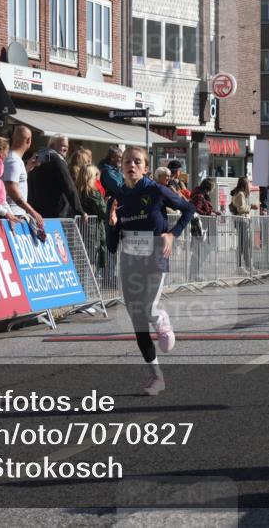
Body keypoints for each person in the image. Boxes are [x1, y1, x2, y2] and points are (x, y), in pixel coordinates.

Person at [106, 146, 195, 396]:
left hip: (156, 256)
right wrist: (112, 225)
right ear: (121, 167)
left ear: (145, 168)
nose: (131, 166)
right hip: (130, 260)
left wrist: (172, 234)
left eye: (137, 162)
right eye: (126, 162)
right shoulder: (115, 198)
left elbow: (189, 210)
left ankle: (161, 319)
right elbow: (112, 246)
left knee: (149, 307)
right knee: (137, 318)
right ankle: (156, 377)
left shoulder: (155, 190)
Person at [28, 134, 87, 221]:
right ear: (52, 146)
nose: (65, 149)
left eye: (66, 146)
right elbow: (69, 186)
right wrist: (80, 211)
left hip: (36, 213)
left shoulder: (37, 157)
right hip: (55, 214)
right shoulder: (57, 159)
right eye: (62, 146)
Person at [3, 125, 44, 230]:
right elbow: (11, 188)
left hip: (13, 214)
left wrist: (28, 168)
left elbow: (14, 181)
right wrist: (32, 211)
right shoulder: (14, 160)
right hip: (13, 216)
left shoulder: (14, 159)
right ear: (29, 140)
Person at [77, 165, 108, 268]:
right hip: (93, 230)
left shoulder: (77, 191)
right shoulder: (93, 192)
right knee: (91, 259)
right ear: (91, 176)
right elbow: (104, 212)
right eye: (96, 174)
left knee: (82, 258)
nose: (98, 176)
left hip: (79, 229)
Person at [230, 177, 253, 270]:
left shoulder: (240, 194)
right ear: (245, 185)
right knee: (245, 244)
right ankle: (245, 266)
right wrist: (251, 207)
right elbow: (241, 209)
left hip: (241, 221)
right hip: (242, 221)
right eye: (249, 183)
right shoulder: (240, 194)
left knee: (243, 244)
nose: (250, 185)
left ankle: (244, 265)